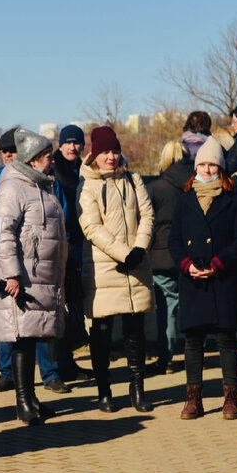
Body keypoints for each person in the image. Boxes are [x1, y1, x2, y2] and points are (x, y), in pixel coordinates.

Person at [168, 139, 237, 419]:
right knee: (193, 341)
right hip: (193, 280)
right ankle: (194, 399)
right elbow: (174, 240)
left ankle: (231, 398)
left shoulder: (235, 198)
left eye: (212, 164)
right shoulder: (185, 199)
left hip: (223, 279)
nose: (206, 169)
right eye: (202, 164)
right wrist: (187, 265)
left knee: (226, 340)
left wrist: (217, 264)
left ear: (221, 167)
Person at [0, 129, 68, 426]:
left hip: (38, 275)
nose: (52, 161)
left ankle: (31, 398)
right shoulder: (13, 188)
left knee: (32, 337)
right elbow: (3, 232)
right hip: (20, 277)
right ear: (35, 160)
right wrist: (11, 273)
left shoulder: (42, 186)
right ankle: (23, 402)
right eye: (48, 156)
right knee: (21, 339)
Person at [78, 125, 155, 413]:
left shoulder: (133, 180)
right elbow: (91, 227)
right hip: (104, 268)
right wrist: (123, 253)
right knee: (102, 333)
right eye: (105, 152)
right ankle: (104, 390)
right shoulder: (87, 185)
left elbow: (148, 214)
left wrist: (139, 248)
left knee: (136, 332)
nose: (110, 157)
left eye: (114, 151)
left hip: (136, 264)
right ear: (94, 155)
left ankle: (138, 389)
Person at [146, 140, 194, 375]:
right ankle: (194, 352)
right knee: (190, 303)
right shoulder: (195, 184)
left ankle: (166, 356)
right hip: (191, 253)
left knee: (167, 307)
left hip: (162, 255)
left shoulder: (156, 188)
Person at [51, 125, 87, 382]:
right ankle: (56, 367)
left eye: (77, 143)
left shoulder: (84, 170)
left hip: (80, 244)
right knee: (59, 309)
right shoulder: (54, 170)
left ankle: (69, 362)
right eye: (69, 143)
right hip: (61, 243)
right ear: (61, 144)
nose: (73, 147)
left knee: (73, 307)